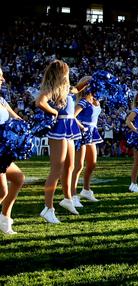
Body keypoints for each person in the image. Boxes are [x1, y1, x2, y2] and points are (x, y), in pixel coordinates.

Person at [36, 60, 83, 223]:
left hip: (69, 128)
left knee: (70, 166)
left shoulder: (68, 89)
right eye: (66, 72)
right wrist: (53, 112)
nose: (68, 74)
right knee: (57, 169)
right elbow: (40, 102)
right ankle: (48, 208)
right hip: (59, 130)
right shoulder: (53, 89)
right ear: (60, 73)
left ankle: (67, 199)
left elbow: (79, 88)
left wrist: (92, 79)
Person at [0, 67, 26, 234]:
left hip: (2, 151)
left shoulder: (1, 100)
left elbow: (16, 118)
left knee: (17, 179)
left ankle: (4, 218)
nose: (3, 80)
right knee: (2, 190)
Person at [72, 76, 103, 205]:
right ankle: (72, 195)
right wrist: (81, 127)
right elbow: (72, 116)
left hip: (92, 132)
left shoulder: (96, 100)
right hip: (83, 132)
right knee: (78, 165)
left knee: (92, 163)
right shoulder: (84, 101)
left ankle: (86, 189)